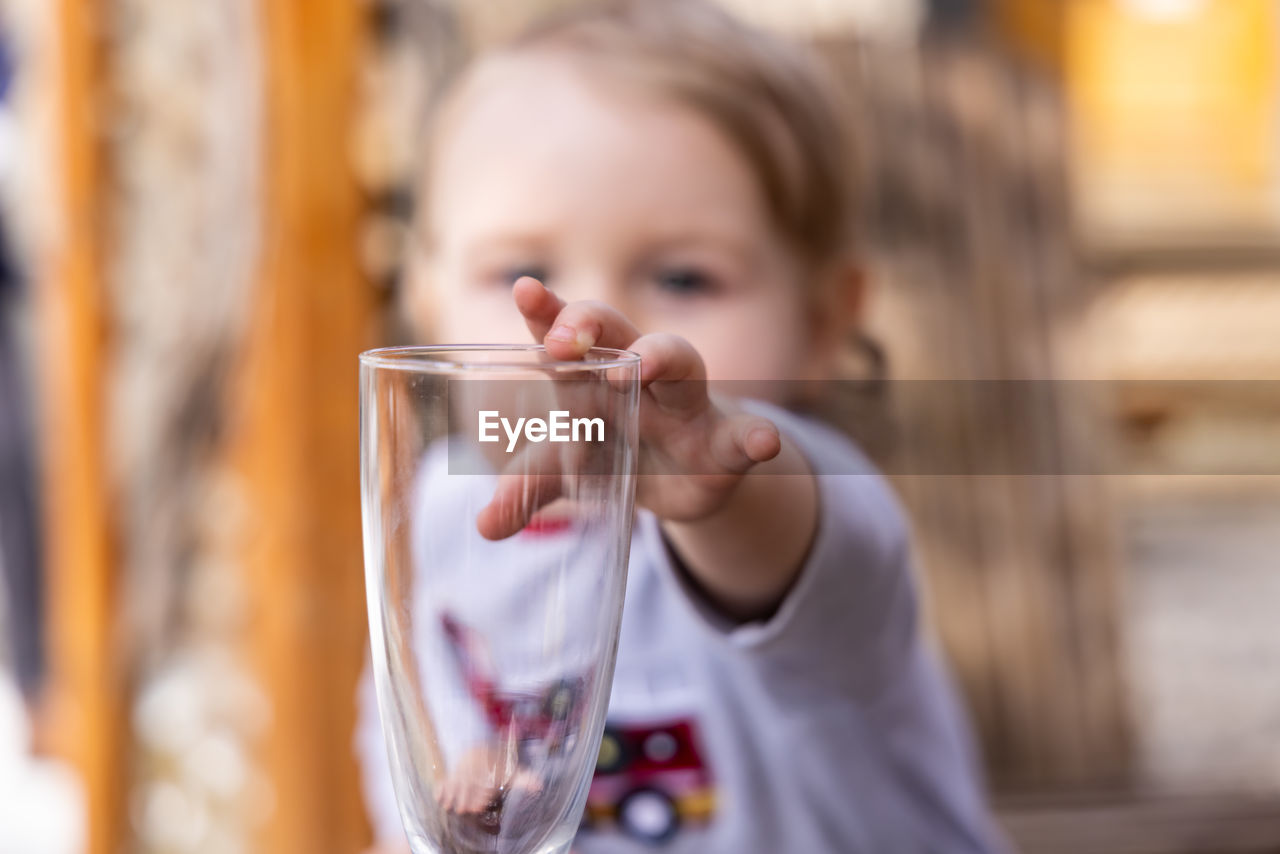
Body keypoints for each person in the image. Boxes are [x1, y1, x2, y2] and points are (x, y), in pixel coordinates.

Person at [356, 1, 1009, 851]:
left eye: (685, 277)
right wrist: (462, 771)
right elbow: (409, 724)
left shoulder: (796, 499)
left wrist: (719, 487)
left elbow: (789, 549)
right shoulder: (443, 508)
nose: (589, 328)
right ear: (427, 295)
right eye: (522, 270)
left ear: (822, 323)